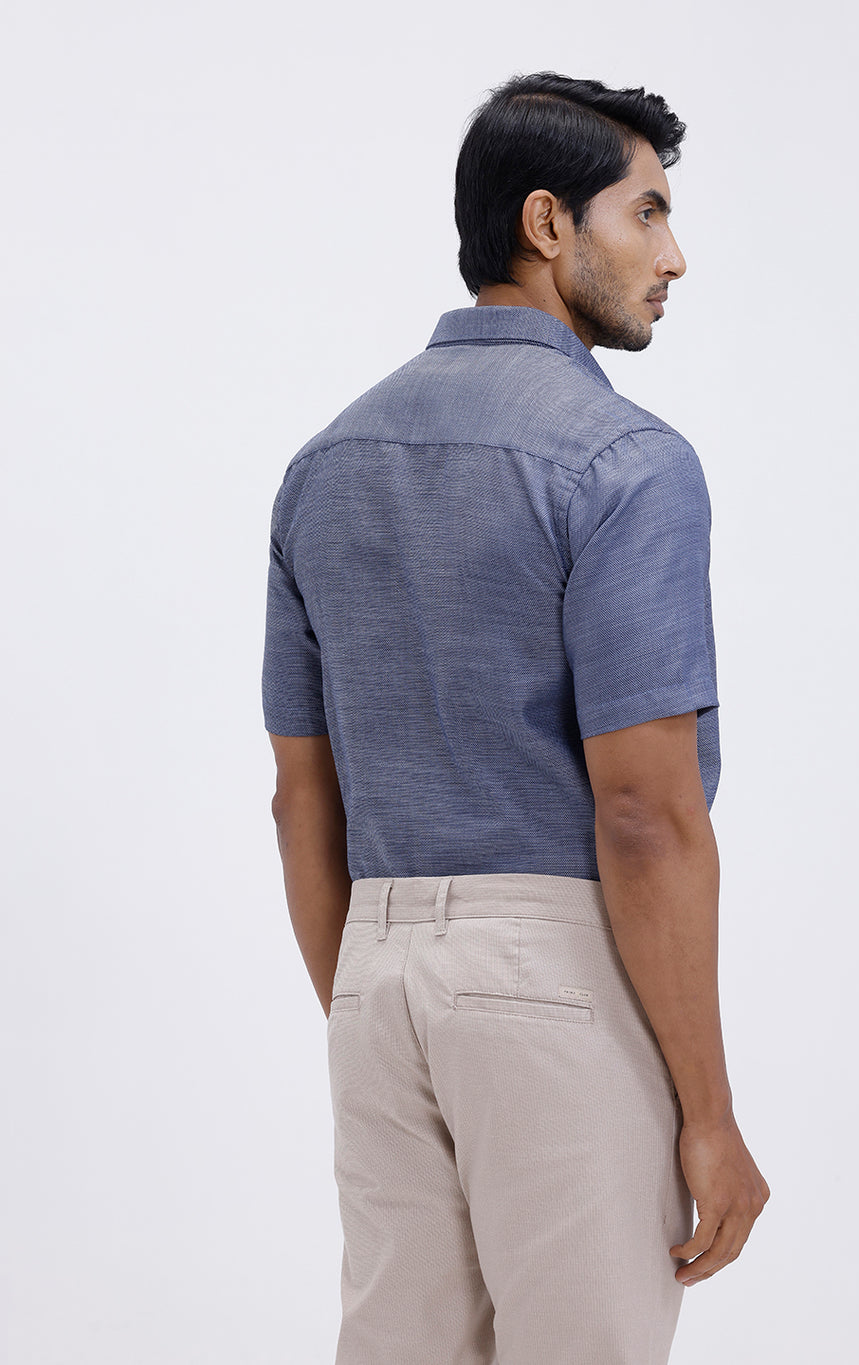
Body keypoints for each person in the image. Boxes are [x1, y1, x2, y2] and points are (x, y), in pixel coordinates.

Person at [262, 70, 770, 1365]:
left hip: (374, 976)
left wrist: (372, 1005)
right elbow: (646, 815)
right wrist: (709, 1114)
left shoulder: (324, 468)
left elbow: (300, 799)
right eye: (646, 213)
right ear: (548, 224)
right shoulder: (626, 463)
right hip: (554, 974)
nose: (674, 257)